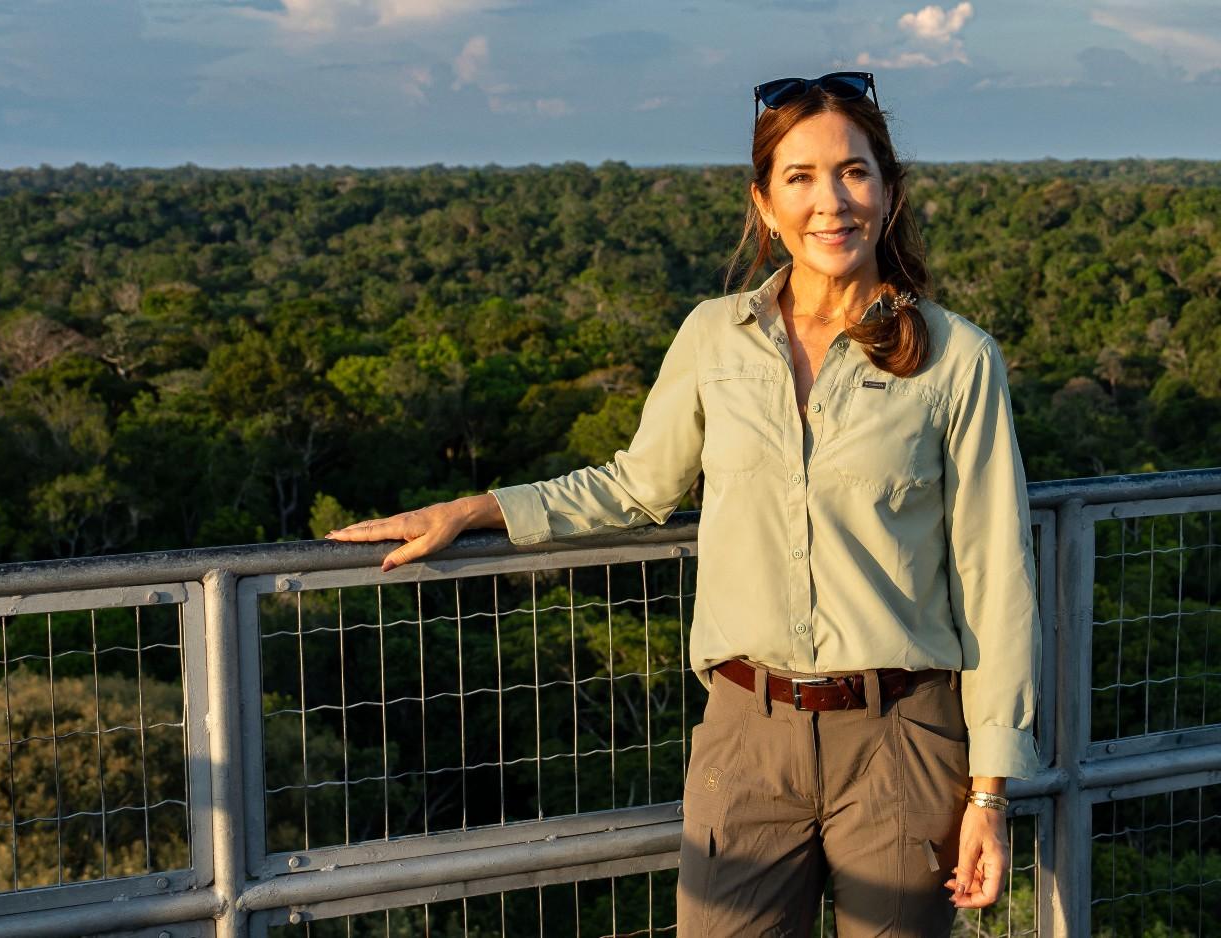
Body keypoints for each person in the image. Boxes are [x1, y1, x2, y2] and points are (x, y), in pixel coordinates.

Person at [326, 70, 1041, 938]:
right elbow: (637, 485)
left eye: (854, 172)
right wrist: (479, 510)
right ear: (765, 204)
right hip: (746, 736)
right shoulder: (714, 337)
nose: (831, 202)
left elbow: (996, 581)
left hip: (903, 739)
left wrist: (989, 794)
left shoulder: (956, 359)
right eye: (801, 178)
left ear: (888, 192)